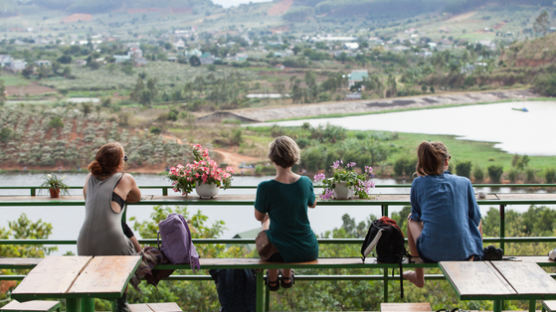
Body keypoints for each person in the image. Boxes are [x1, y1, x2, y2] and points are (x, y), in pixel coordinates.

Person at [404, 141, 483, 288]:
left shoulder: (418, 183)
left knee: (411, 219)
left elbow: (417, 216)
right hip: (464, 253)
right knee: (477, 220)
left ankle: (418, 276)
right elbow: (475, 217)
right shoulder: (464, 182)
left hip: (430, 253)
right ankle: (474, 264)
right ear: (446, 161)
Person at [254, 136, 318, 291]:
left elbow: (258, 217)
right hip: (307, 250)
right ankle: (287, 276)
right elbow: (313, 204)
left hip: (278, 254)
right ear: (294, 157)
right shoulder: (305, 182)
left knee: (267, 226)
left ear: (273, 159)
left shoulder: (265, 187)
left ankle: (273, 278)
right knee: (286, 229)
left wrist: (267, 218)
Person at [77, 142, 142, 256]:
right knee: (136, 262)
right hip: (113, 244)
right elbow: (136, 197)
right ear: (120, 162)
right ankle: (141, 253)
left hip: (84, 246)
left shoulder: (89, 177)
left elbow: (88, 198)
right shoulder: (125, 179)